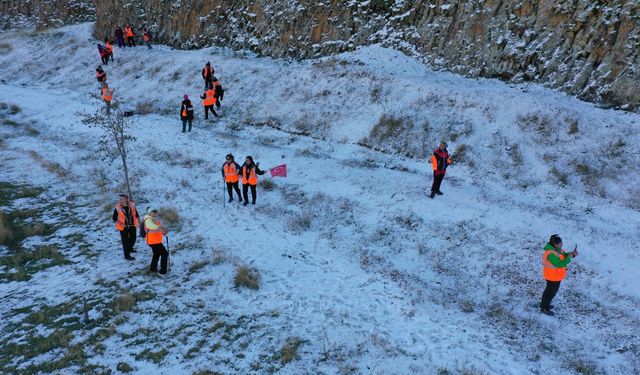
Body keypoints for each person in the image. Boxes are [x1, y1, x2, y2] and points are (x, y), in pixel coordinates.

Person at [540, 234, 578, 316]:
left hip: (555, 276)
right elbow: (559, 264)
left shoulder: (557, 250)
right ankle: (544, 308)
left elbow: (563, 256)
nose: (562, 245)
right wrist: (569, 257)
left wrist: (572, 254)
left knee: (549, 291)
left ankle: (544, 304)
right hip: (552, 277)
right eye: (560, 244)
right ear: (555, 244)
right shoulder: (550, 253)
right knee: (550, 293)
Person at [112, 194, 139, 261]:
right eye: (119, 199)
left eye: (122, 199)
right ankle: (127, 255)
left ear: (126, 199)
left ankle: (129, 248)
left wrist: (139, 220)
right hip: (123, 227)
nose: (120, 201)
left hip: (132, 225)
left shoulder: (132, 205)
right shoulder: (117, 207)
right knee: (125, 241)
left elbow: (136, 214)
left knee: (133, 238)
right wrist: (121, 223)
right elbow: (114, 218)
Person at [143, 207, 169, 276]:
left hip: (155, 241)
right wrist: (159, 228)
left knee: (156, 254)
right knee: (164, 254)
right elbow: (150, 226)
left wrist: (163, 232)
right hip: (153, 241)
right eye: (153, 211)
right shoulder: (148, 219)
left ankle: (153, 269)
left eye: (156, 211)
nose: (155, 213)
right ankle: (162, 272)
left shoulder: (154, 220)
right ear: (149, 212)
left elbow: (158, 230)